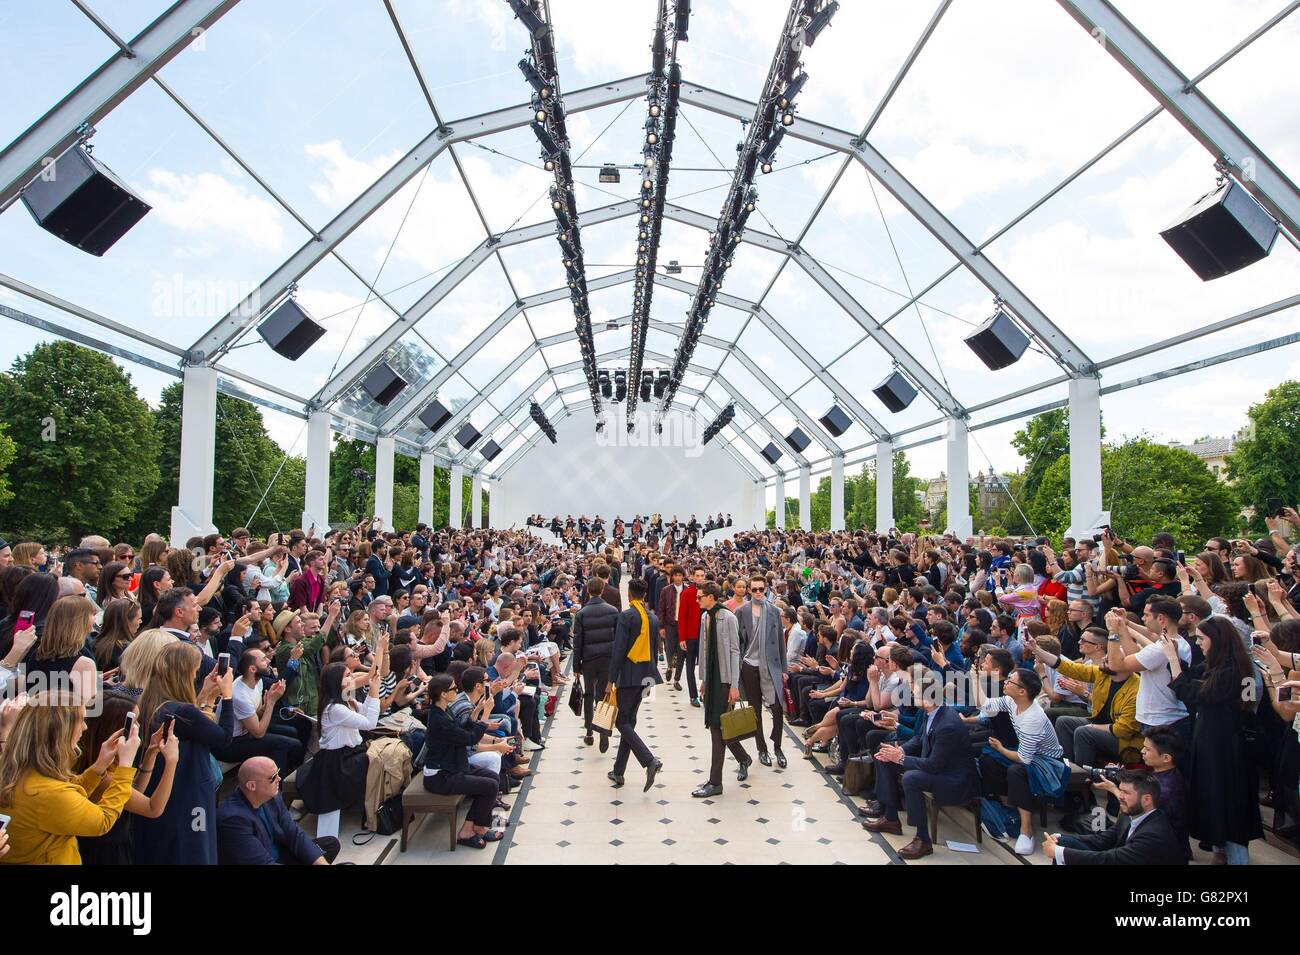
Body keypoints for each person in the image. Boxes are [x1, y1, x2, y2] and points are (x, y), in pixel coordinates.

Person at [0, 690, 141, 865]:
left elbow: (68, 793)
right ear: (61, 732)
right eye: (81, 720)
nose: (85, 727)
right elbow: (102, 821)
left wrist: (99, 766)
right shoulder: (48, 794)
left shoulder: (17, 767)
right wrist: (125, 766)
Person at [1164, 616, 1262, 864]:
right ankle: (1219, 850)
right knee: (1214, 803)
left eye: (1201, 638)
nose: (1198, 644)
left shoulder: (1233, 671)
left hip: (1226, 749)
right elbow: (1186, 679)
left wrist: (1173, 659)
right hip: (1211, 743)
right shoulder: (1216, 666)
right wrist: (1172, 654)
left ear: (1216, 640)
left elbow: (1190, 692)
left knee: (1228, 806)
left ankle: (1235, 858)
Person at [134, 641, 235, 864]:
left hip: (161, 788)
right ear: (185, 673)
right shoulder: (182, 711)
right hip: (187, 794)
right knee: (192, 850)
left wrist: (205, 697)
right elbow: (224, 738)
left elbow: (196, 725)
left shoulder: (150, 701)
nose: (196, 676)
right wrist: (227, 696)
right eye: (195, 671)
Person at [862, 670, 980, 859]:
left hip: (954, 778)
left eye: (916, 693)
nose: (912, 695)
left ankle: (923, 840)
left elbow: (934, 765)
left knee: (912, 778)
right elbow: (918, 739)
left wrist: (900, 758)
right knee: (883, 758)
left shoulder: (948, 724)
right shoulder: (931, 712)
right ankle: (890, 817)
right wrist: (900, 751)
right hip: (938, 767)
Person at [299, 654, 384, 842]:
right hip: (337, 760)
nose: (352, 678)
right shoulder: (334, 708)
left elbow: (365, 712)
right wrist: (375, 693)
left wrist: (372, 693)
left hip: (349, 753)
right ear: (336, 682)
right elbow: (370, 723)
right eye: (347, 675)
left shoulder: (346, 699)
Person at [422, 673, 504, 849]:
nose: (457, 690)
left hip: (453, 766)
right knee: (489, 786)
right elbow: (470, 738)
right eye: (453, 688)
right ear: (443, 694)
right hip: (440, 776)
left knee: (493, 779)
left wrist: (476, 710)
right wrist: (486, 713)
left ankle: (472, 827)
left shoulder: (444, 710)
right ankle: (474, 830)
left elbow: (462, 729)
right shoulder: (439, 719)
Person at [1044, 769, 1189, 865]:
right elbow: (1102, 840)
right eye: (1120, 791)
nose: (1120, 797)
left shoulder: (1153, 834)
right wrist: (1059, 838)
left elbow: (1111, 859)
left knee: (1063, 852)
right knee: (1063, 842)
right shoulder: (1130, 814)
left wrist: (1060, 852)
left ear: (1146, 800)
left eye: (1126, 793)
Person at [217, 756, 337, 865]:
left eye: (277, 773)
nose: (279, 779)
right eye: (273, 777)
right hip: (263, 861)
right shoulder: (233, 820)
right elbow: (262, 862)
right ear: (251, 786)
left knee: (329, 845)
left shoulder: (271, 796)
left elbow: (293, 832)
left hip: (279, 854)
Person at [692, 581, 750, 798]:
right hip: (712, 678)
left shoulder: (729, 617)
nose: (697, 600)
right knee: (720, 727)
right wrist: (704, 679)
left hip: (725, 680)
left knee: (718, 729)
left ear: (711, 597)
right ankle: (743, 758)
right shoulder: (705, 617)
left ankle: (715, 782)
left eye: (700, 597)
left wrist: (735, 685)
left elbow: (735, 651)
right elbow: (704, 649)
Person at [606, 577, 663, 792]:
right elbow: (655, 650)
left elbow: (619, 650)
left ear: (629, 594)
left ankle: (649, 761)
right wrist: (651, 680)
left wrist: (611, 679)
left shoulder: (627, 616)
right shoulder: (652, 618)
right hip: (645, 675)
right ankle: (618, 770)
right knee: (629, 720)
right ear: (645, 595)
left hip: (628, 676)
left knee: (622, 722)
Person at [213, 649, 301, 774]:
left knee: (293, 732)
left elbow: (257, 713)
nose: (269, 661)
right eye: (264, 659)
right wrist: (271, 702)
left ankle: (291, 773)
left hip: (247, 732)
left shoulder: (257, 681)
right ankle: (276, 785)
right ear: (252, 669)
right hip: (230, 744)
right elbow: (258, 733)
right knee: (284, 744)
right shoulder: (240, 695)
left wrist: (266, 705)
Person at [735, 572, 788, 769]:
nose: (758, 592)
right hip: (749, 665)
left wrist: (784, 668)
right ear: (749, 590)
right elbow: (738, 642)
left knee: (777, 708)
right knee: (754, 710)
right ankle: (762, 749)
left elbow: (781, 643)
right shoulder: (742, 612)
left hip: (770, 665)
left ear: (766, 588)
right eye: (754, 589)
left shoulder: (774, 611)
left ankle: (778, 746)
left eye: (761, 589)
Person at [572, 576, 617, 750]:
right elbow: (617, 638)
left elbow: (578, 642)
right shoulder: (612, 611)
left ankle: (589, 731)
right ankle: (603, 731)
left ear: (588, 591)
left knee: (589, 695)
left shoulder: (582, 613)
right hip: (607, 658)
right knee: (603, 695)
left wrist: (576, 667)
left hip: (589, 659)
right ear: (602, 590)